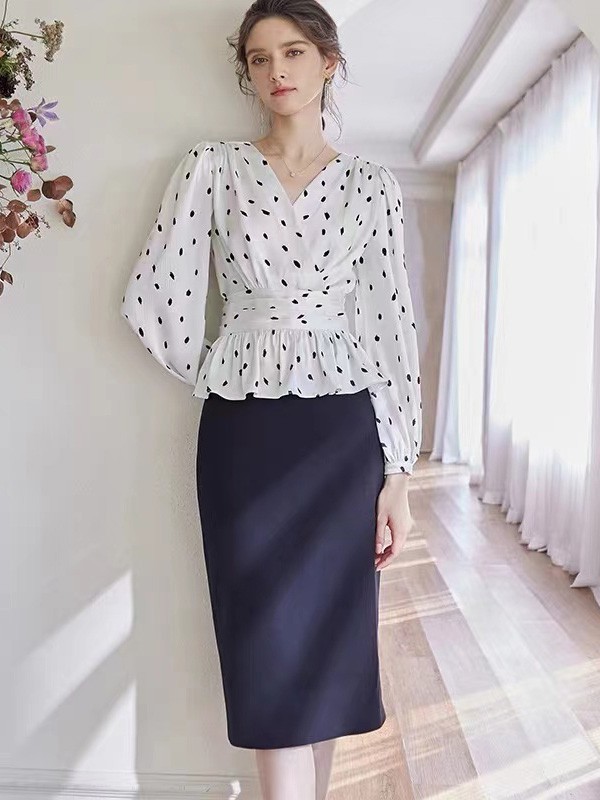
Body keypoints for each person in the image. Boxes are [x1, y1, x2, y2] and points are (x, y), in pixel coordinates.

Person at [120, 1, 422, 797]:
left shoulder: (371, 186)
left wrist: (398, 476)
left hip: (342, 438)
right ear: (246, 72)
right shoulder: (211, 167)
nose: (276, 70)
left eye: (292, 52)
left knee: (327, 656)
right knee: (267, 651)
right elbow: (153, 299)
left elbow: (391, 329)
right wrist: (228, 361)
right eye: (259, 58)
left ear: (328, 62)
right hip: (244, 437)